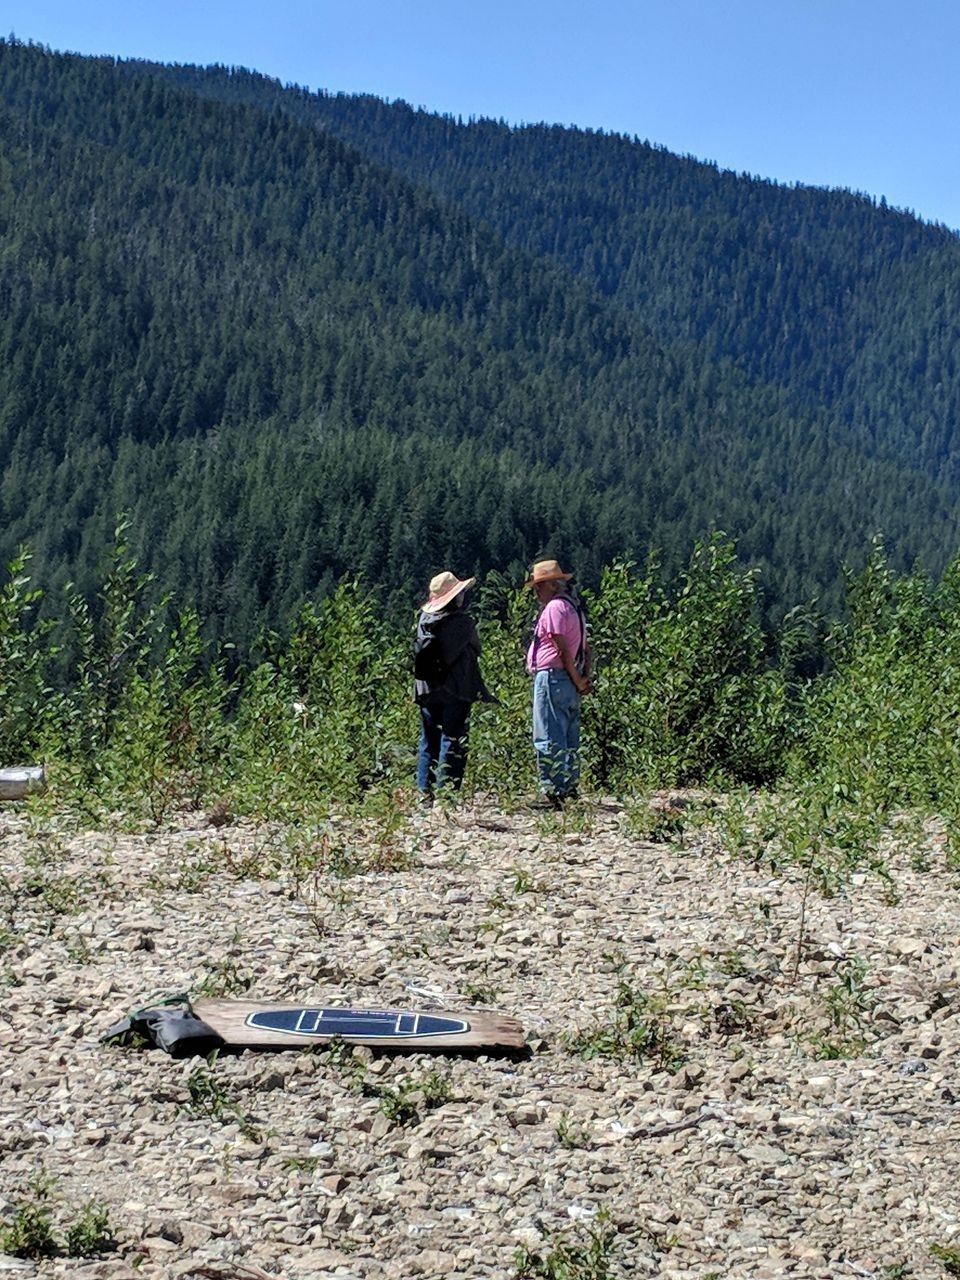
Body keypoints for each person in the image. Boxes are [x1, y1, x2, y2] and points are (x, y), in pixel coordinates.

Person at [413, 571, 493, 804]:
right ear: (455, 598)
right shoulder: (462, 622)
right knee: (453, 739)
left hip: (426, 688)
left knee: (429, 739)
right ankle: (447, 793)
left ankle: (424, 791)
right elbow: (477, 648)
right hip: (456, 688)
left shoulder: (423, 620)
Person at [525, 559, 590, 807]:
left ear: (552, 585)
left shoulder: (553, 609)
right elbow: (586, 648)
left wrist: (575, 677)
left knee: (549, 736)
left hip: (553, 676)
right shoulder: (574, 608)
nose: (536, 592)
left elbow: (561, 648)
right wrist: (583, 679)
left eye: (539, 586)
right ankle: (569, 787)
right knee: (569, 735)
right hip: (569, 680)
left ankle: (553, 791)